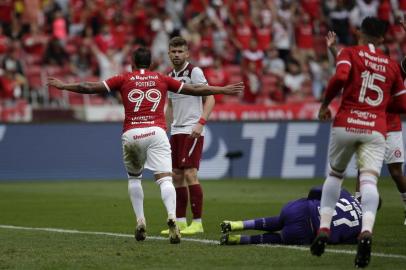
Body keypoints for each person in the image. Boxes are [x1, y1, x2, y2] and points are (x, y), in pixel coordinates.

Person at [47, 47, 244, 244]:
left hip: (132, 134)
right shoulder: (161, 78)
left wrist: (64, 86)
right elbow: (196, 90)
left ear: (133, 63)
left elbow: (88, 87)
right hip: (156, 133)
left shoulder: (123, 78)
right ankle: (173, 218)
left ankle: (141, 220)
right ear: (150, 64)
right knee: (166, 179)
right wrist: (221, 89)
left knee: (134, 179)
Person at [310, 17, 406, 268]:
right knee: (368, 180)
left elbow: (341, 77)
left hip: (346, 122)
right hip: (375, 127)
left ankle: (323, 228)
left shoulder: (350, 53)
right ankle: (366, 231)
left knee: (335, 175)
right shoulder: (391, 65)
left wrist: (324, 104)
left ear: (358, 32)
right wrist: (380, 105)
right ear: (383, 39)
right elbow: (402, 104)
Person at [326, 29, 406, 226]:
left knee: (396, 172)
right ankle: (359, 211)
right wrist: (333, 48)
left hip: (391, 126)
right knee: (364, 168)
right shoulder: (365, 67)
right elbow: (345, 64)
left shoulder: (394, 68)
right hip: (372, 124)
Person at [161, 36, 215, 235]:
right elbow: (171, 105)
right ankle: (181, 222)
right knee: (176, 175)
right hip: (176, 131)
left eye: (180, 51)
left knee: (190, 173)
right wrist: (163, 129)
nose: (176, 55)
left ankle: (198, 222)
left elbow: (210, 98)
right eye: (173, 52)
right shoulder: (169, 76)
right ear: (168, 53)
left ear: (187, 53)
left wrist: (200, 123)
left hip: (192, 129)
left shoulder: (195, 72)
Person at [220, 187, 362, 246]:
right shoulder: (364, 227)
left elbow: (315, 190)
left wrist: (308, 201)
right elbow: (347, 241)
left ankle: (237, 224)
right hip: (309, 231)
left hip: (299, 210)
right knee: (281, 238)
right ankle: (239, 240)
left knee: (280, 220)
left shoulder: (345, 193)